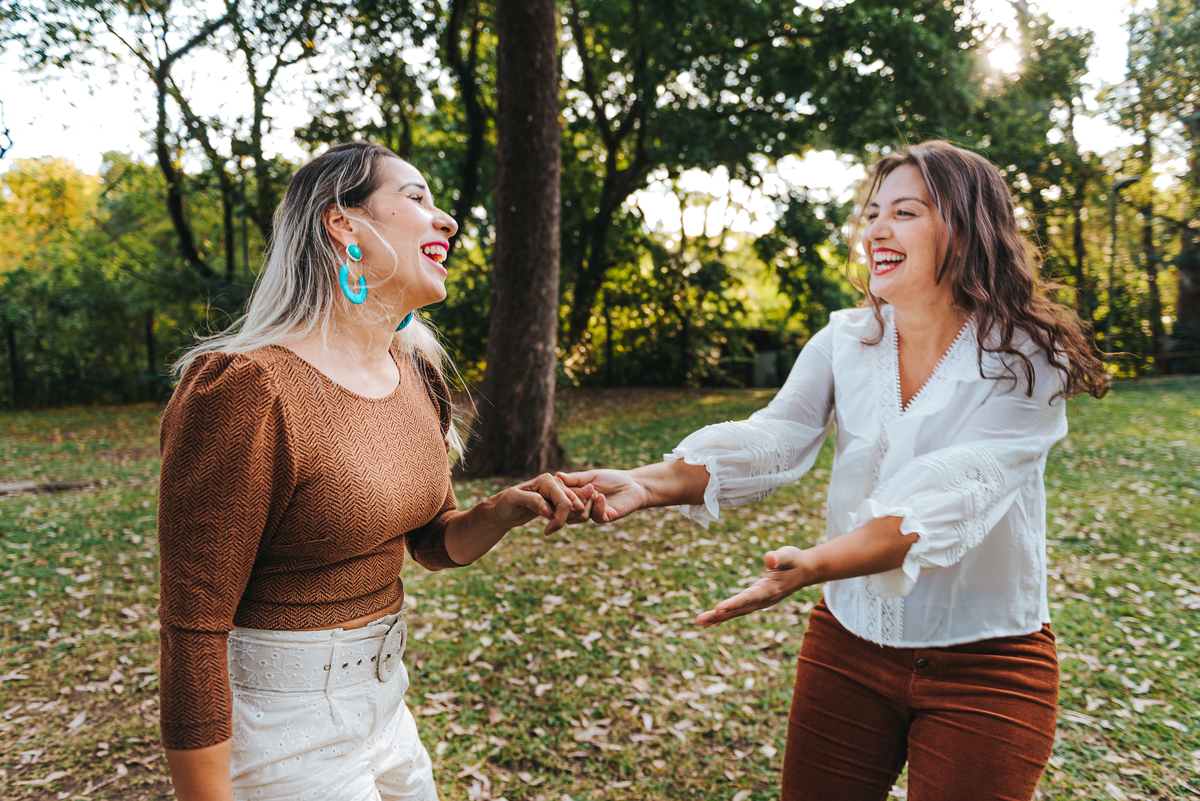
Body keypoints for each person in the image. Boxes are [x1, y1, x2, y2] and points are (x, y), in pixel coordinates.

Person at [560, 140, 1109, 801]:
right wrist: (646, 482)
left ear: (965, 230)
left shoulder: (1026, 355)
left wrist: (815, 564)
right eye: (873, 213)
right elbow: (776, 437)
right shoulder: (846, 339)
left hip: (990, 662)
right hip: (848, 645)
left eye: (904, 212)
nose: (876, 229)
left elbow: (956, 493)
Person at [157, 142, 587, 801]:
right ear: (344, 225)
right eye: (416, 198)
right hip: (282, 728)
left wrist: (504, 508)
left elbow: (431, 539)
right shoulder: (247, 388)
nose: (446, 220)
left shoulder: (414, 372)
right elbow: (192, 629)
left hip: (388, 708)